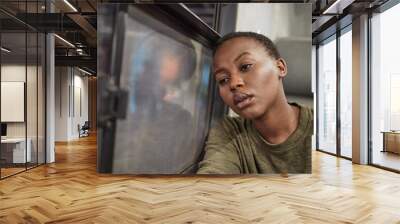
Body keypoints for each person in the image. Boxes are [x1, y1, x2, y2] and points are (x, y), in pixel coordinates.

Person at [197, 32, 313, 174]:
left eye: (245, 67)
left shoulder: (324, 131)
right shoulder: (229, 132)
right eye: (223, 80)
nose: (233, 84)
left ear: (280, 68)